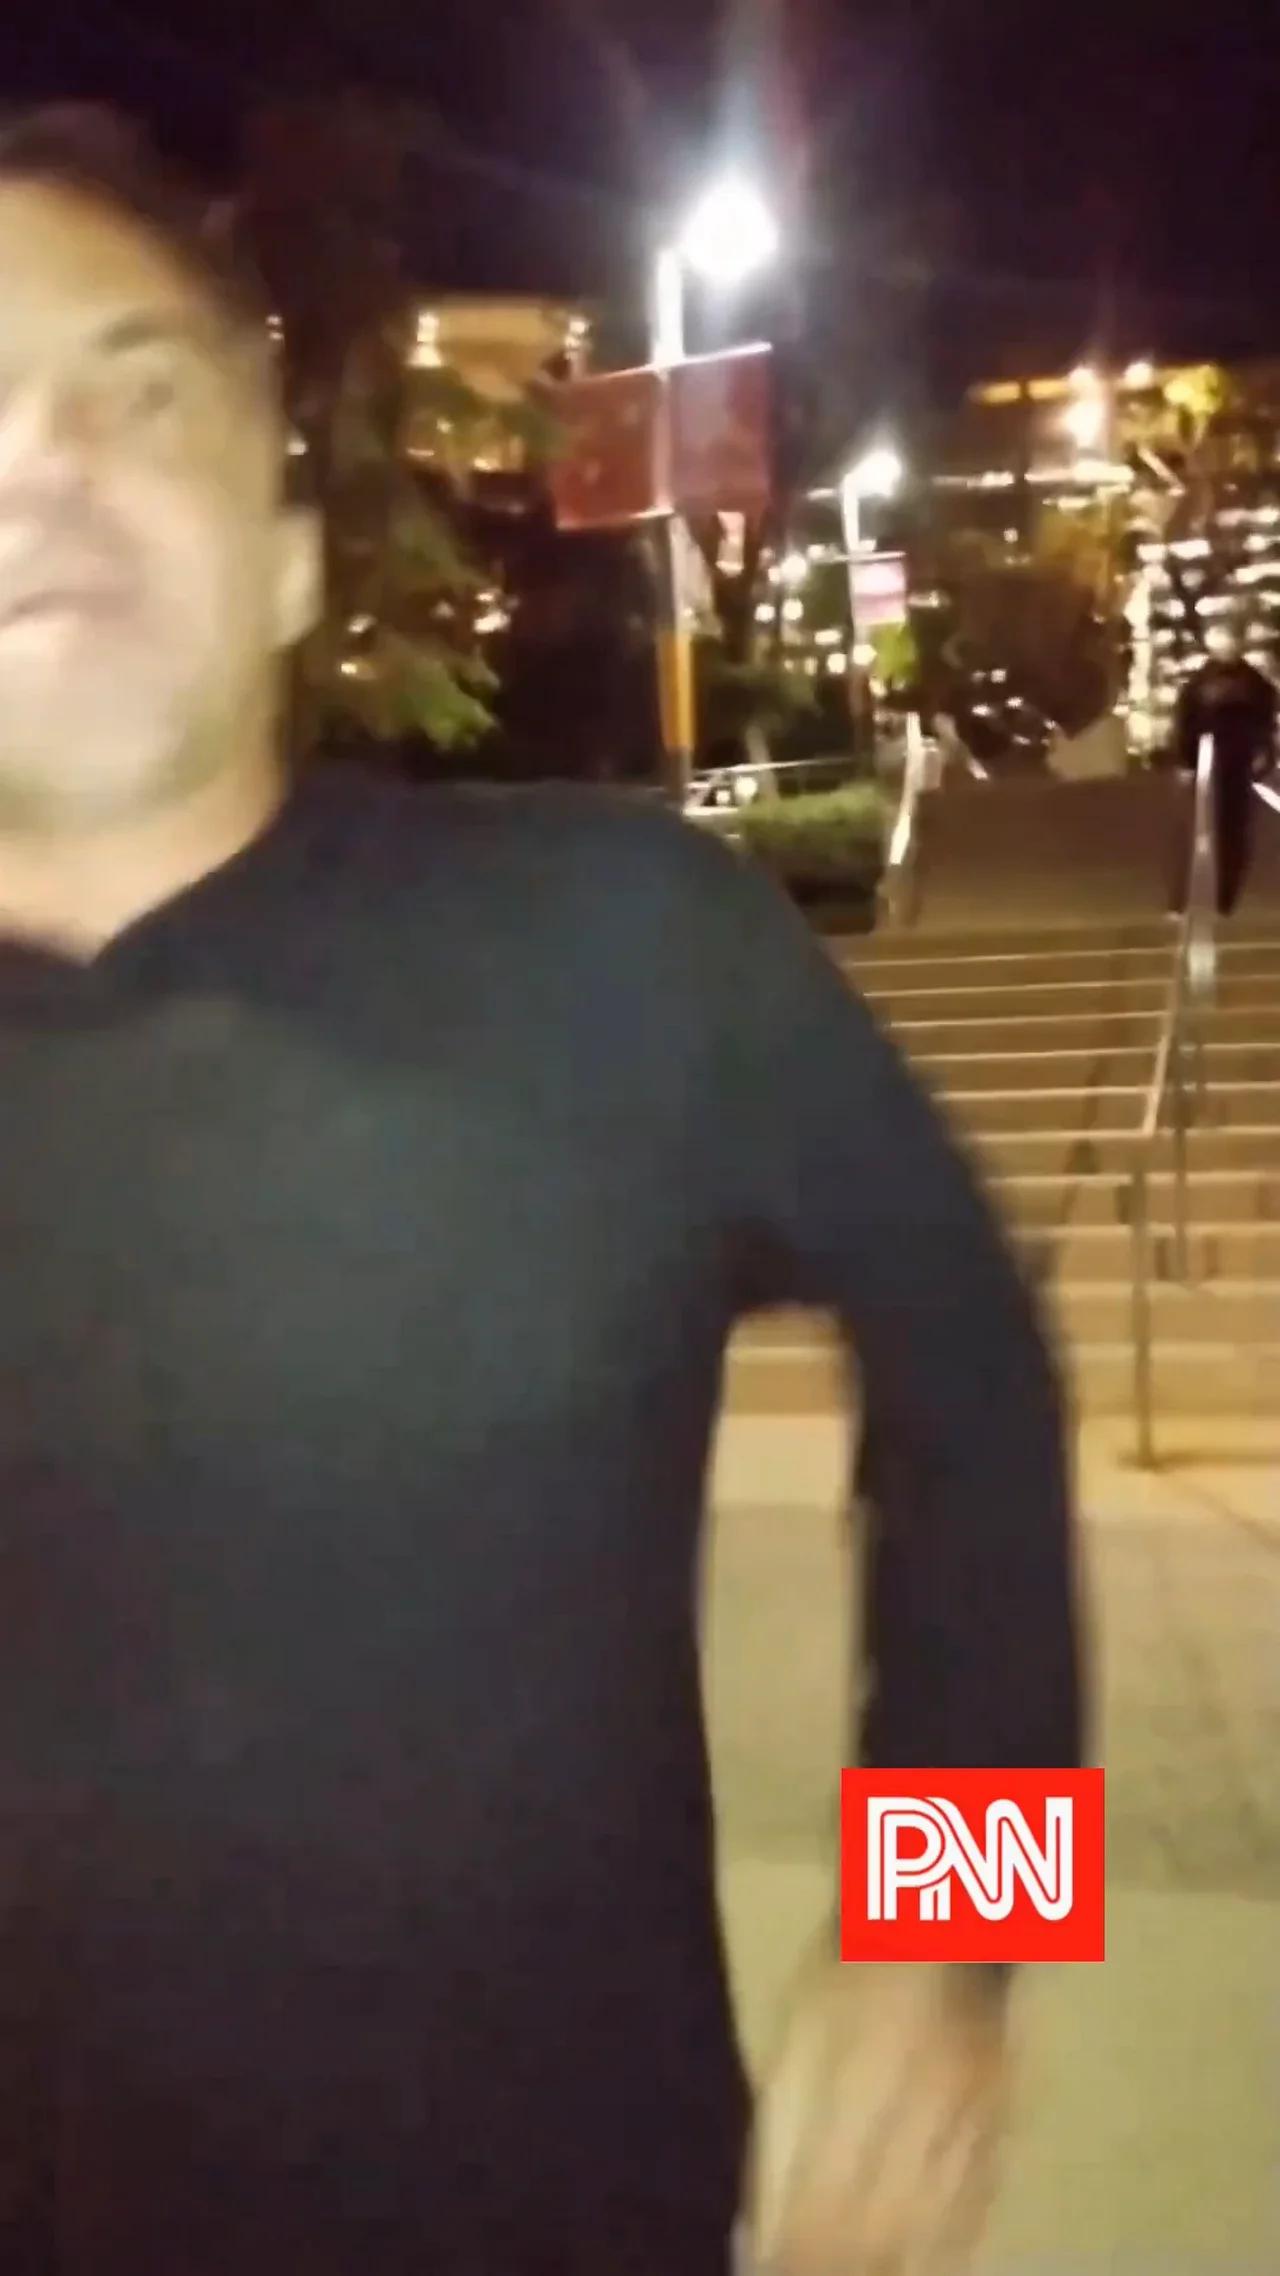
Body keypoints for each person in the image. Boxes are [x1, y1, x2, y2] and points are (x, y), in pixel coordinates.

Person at [0, 110, 1082, 2276]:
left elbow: (970, 1357)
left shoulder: (618, 944)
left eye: (137, 392)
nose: (41, 459)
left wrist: (947, 1931)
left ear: (291, 557)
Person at [1172, 626, 1278, 915]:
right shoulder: (1202, 683)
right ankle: (1191, 895)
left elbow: (1265, 722)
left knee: (1233, 829)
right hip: (1209, 760)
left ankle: (1223, 895)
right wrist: (1185, 759)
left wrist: (1264, 754)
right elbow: (1186, 721)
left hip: (1237, 760)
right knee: (1201, 828)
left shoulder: (1251, 683)